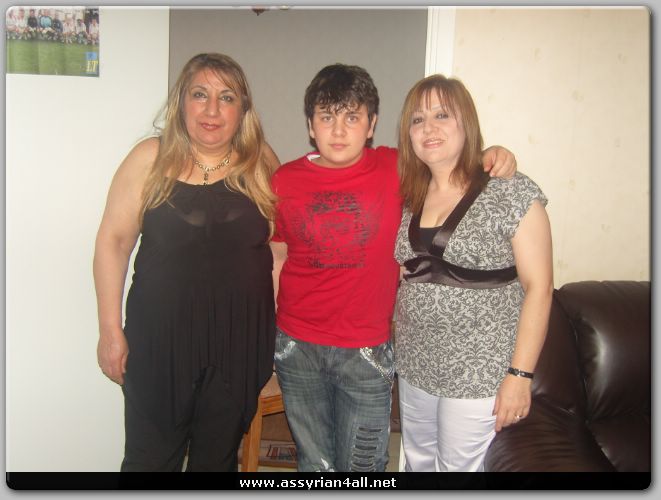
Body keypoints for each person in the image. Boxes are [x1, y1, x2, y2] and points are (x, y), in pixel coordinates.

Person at [270, 63, 517, 472]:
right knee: (315, 463)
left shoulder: (398, 168)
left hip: (366, 349)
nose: (338, 130)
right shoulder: (284, 180)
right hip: (297, 344)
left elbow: (449, 161)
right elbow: (278, 256)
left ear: (371, 125)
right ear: (311, 125)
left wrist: (492, 155)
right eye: (326, 117)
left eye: (352, 118)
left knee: (364, 465)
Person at [93, 53, 278, 472]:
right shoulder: (149, 158)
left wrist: (278, 334)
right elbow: (113, 242)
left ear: (243, 109)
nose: (212, 110)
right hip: (159, 341)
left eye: (226, 97)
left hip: (239, 342)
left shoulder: (261, 162)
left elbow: (280, 250)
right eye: (200, 95)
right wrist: (110, 331)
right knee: (148, 463)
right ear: (181, 102)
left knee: (216, 463)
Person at [394, 74, 553, 472]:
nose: (428, 128)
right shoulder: (410, 195)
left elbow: (540, 287)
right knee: (417, 463)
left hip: (479, 367)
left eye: (442, 115)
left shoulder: (509, 191)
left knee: (458, 472)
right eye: (417, 120)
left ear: (466, 122)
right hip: (415, 360)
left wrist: (520, 375)